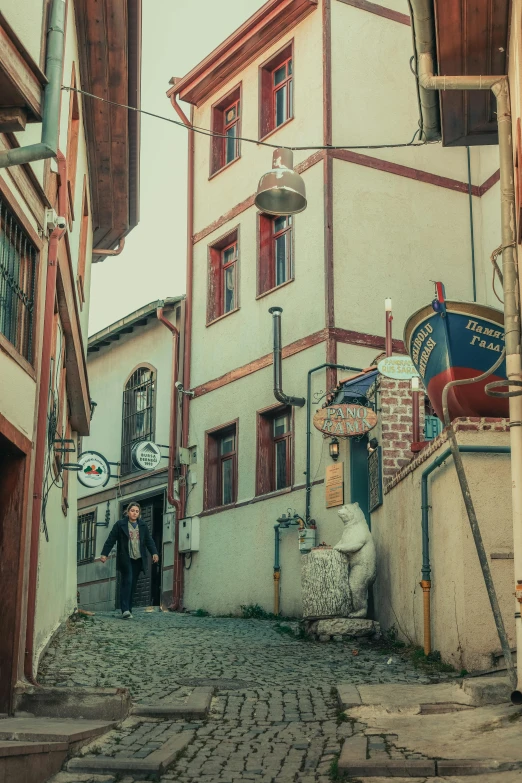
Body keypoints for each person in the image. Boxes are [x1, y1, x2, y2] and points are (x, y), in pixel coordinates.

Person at [100, 501, 159, 619]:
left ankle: (128, 609)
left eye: (137, 511)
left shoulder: (142, 525)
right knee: (127, 581)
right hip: (125, 558)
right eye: (132, 511)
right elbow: (111, 539)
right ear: (128, 512)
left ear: (139, 513)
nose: (134, 513)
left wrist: (154, 552)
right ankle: (125, 609)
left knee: (132, 584)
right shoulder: (120, 524)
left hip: (138, 559)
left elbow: (149, 540)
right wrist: (104, 554)